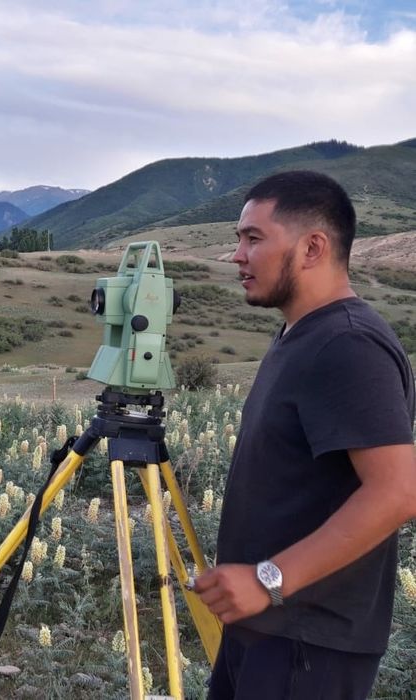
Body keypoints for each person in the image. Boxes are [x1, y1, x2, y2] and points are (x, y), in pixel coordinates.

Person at [193, 170, 416, 699]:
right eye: (238, 239)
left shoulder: (348, 345)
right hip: (267, 628)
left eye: (254, 238)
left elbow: (398, 491)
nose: (238, 256)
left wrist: (268, 580)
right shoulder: (300, 333)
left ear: (313, 247)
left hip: (307, 643)